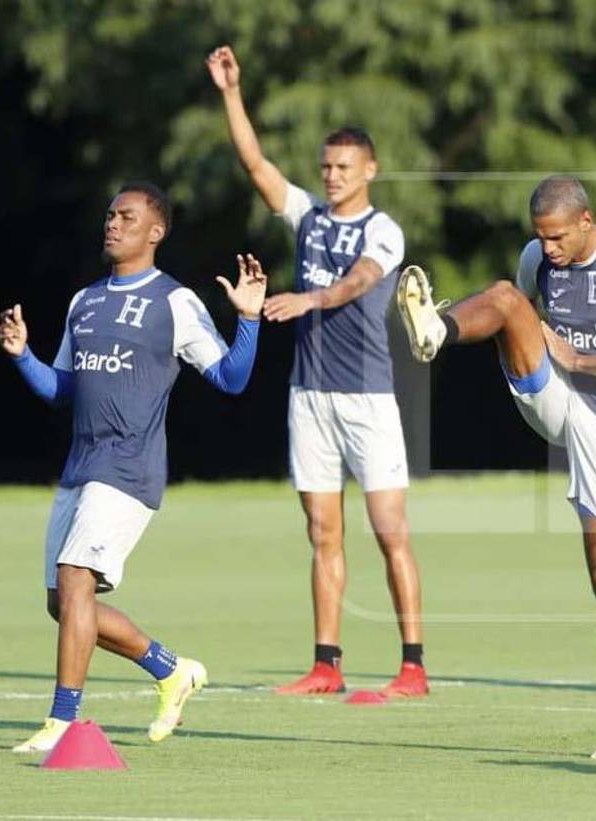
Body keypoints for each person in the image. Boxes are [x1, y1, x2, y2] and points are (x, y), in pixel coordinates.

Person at [396, 175, 596, 758]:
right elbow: (518, 317)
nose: (546, 249)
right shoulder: (535, 257)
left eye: (556, 238)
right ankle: (435, 330)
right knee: (504, 296)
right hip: (554, 395)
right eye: (539, 238)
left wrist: (577, 356)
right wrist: (546, 353)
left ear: (585, 222)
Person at [0, 182, 266, 752]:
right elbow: (61, 389)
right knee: (65, 603)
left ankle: (62, 722)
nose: (113, 224)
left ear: (156, 231)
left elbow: (230, 378)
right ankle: (172, 671)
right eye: (110, 215)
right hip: (80, 467)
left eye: (127, 216)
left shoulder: (175, 302)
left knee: (75, 582)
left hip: (129, 468)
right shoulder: (84, 301)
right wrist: (24, 356)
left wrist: (249, 320)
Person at [207, 45, 427, 697]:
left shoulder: (383, 230)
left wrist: (309, 298)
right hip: (309, 398)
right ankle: (326, 664)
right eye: (326, 166)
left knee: (391, 530)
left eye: (343, 167)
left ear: (370, 170)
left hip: (367, 399)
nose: (331, 176)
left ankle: (413, 665)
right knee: (322, 531)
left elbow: (360, 282)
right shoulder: (307, 216)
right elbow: (255, 164)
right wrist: (230, 92)